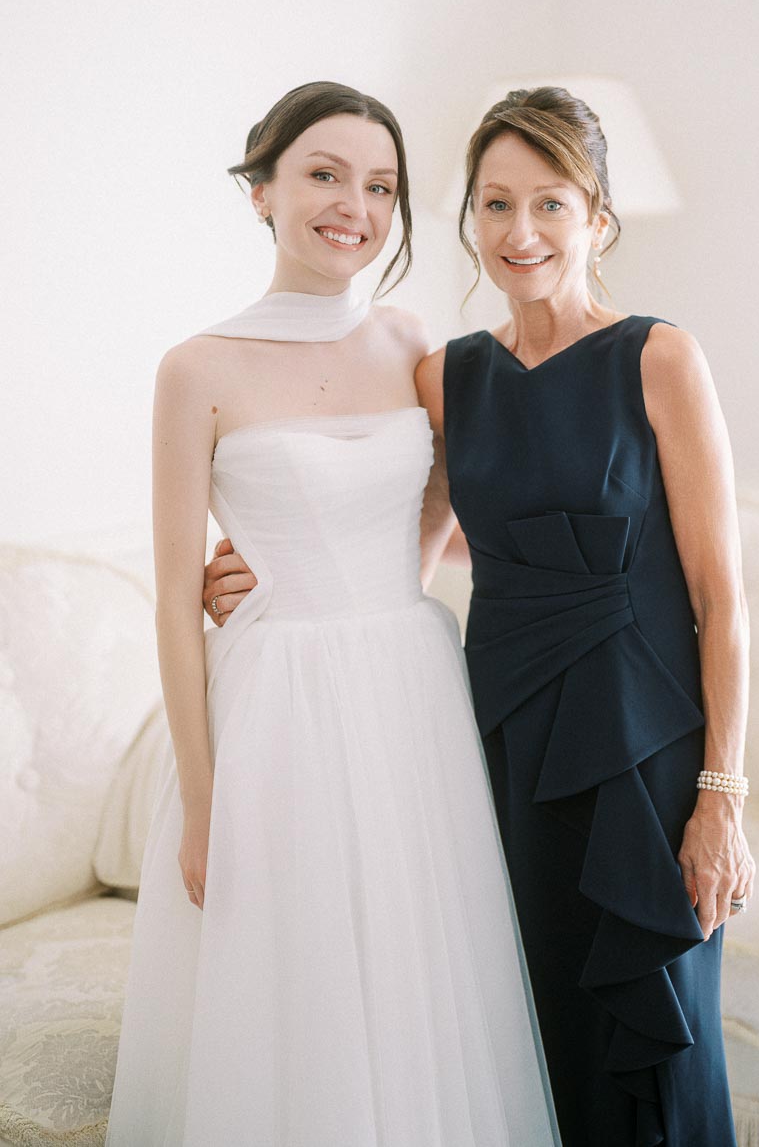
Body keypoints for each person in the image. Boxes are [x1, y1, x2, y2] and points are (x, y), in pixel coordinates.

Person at [203, 85, 756, 1146]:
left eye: (549, 204)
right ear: (469, 221)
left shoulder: (659, 357)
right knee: (533, 1036)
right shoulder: (448, 376)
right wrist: (256, 570)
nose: (520, 232)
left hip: (647, 746)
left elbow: (721, 594)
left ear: (597, 218)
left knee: (665, 1032)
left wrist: (721, 797)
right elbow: (415, 539)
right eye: (495, 205)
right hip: (501, 738)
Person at [105, 81, 560, 1147]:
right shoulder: (197, 368)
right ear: (261, 190)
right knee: (296, 985)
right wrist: (206, 804)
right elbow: (176, 602)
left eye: (381, 185)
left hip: (409, 691)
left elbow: (446, 493)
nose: (353, 204)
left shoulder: (411, 343)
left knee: (416, 973)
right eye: (323, 174)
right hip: (275, 710)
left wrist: (360, 585)